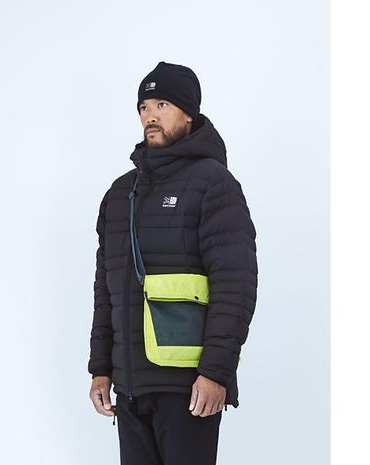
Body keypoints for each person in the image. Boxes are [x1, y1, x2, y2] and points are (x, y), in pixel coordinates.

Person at [88, 61, 258, 465]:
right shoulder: (120, 193)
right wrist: (101, 368)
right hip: (130, 386)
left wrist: (215, 372)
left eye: (162, 105)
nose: (150, 116)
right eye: (144, 107)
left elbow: (235, 284)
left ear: (189, 114)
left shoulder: (213, 184)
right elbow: (106, 288)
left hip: (189, 387)